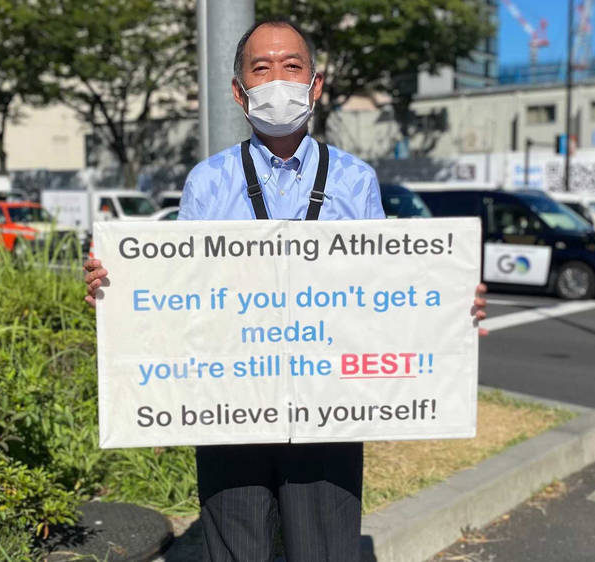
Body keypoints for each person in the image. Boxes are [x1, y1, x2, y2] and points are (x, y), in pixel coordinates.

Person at [84, 18, 488, 562]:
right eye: (262, 68)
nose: (278, 79)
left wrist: (451, 300)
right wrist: (119, 293)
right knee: (235, 550)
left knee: (326, 550)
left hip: (330, 408)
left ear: (315, 85)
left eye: (292, 66)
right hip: (230, 405)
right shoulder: (207, 182)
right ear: (240, 90)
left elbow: (385, 296)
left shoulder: (356, 180)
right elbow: (176, 295)